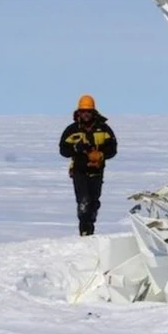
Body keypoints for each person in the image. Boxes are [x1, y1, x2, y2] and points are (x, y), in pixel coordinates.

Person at [58, 94, 117, 236]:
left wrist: (101, 154)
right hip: (79, 171)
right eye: (83, 111)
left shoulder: (104, 129)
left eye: (88, 111)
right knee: (83, 202)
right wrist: (76, 148)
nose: (86, 114)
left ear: (93, 112)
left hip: (97, 172)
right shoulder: (72, 130)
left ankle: (90, 227)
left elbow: (113, 148)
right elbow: (63, 150)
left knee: (93, 203)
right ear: (78, 112)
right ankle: (84, 231)